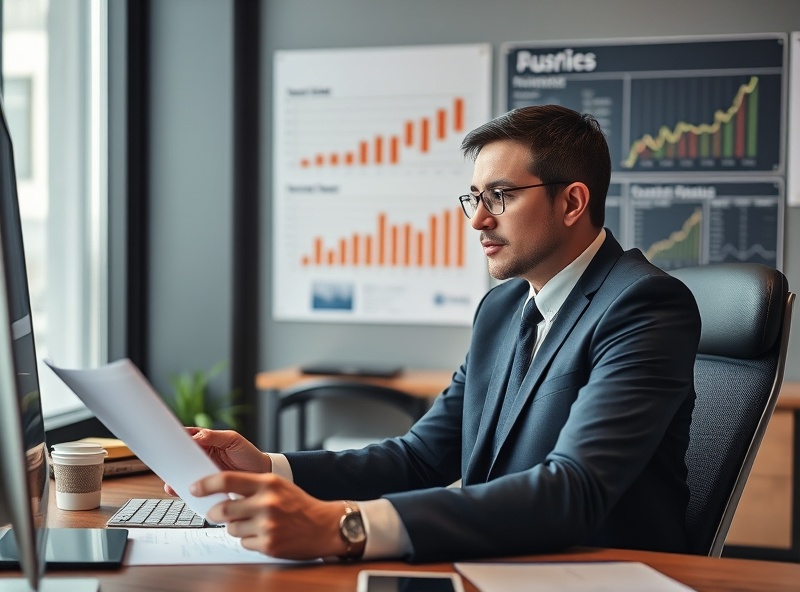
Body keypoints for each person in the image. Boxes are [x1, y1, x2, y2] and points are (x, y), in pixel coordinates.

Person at [180, 104, 701, 563]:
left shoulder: (643, 305)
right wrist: (270, 468)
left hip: (594, 572)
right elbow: (422, 457)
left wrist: (348, 526)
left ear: (571, 203)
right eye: (473, 197)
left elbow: (575, 489)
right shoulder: (502, 308)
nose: (477, 220)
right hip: (496, 561)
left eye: (499, 196)